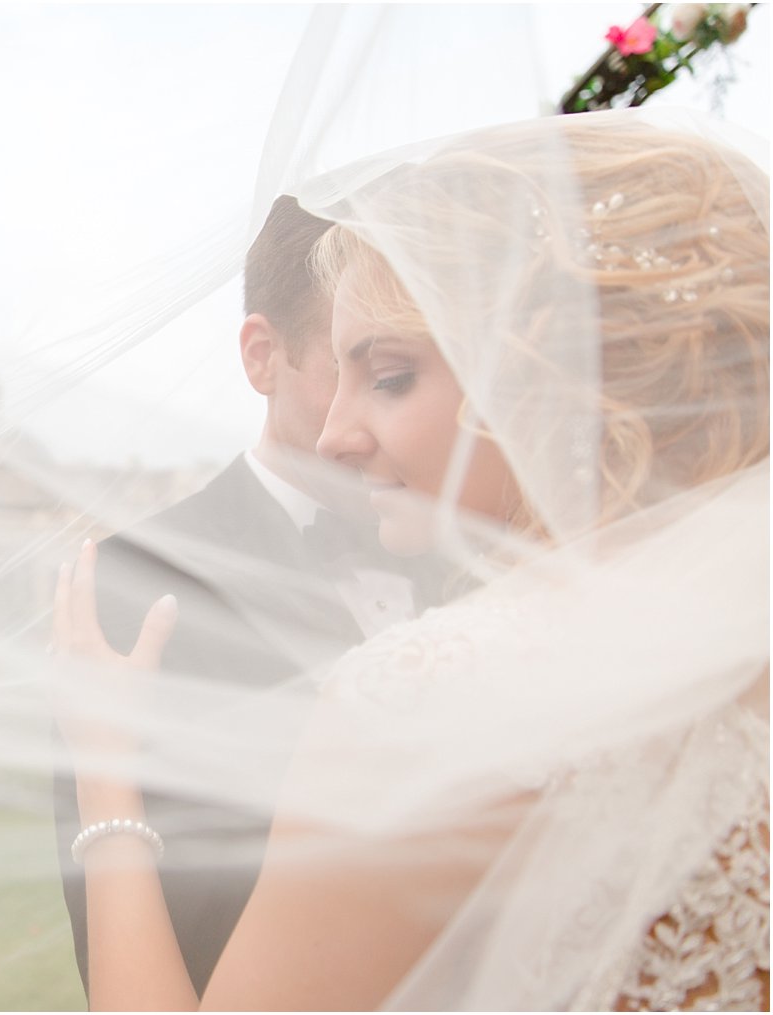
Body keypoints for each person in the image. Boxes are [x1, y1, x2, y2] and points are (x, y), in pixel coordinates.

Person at [53, 110, 769, 1010]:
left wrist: (107, 775)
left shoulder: (427, 693)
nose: (336, 431)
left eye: (389, 377)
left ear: (539, 372)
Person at [51, 194, 444, 999]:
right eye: (353, 368)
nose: (356, 421)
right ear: (263, 356)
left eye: (402, 375)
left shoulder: (474, 542)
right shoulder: (133, 586)